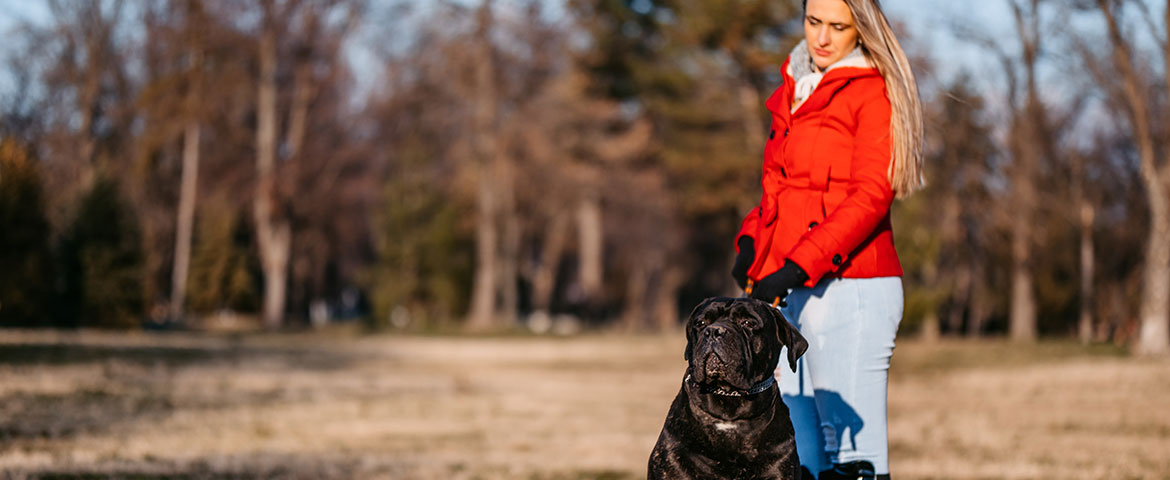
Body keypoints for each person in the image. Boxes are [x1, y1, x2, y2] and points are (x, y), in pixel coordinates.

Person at [730, 0, 924, 478]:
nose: (822, 37)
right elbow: (779, 188)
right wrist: (751, 244)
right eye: (813, 21)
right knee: (797, 455)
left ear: (862, 29)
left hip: (851, 288)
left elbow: (870, 197)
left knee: (852, 458)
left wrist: (798, 266)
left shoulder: (871, 91)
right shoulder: (795, 84)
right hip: (791, 291)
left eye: (838, 26)